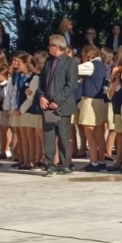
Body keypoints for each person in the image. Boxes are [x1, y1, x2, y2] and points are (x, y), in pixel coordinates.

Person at [39, 35, 79, 175]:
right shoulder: (49, 61)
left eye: (49, 45)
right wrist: (42, 96)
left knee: (63, 136)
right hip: (47, 105)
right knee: (49, 135)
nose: (48, 47)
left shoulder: (70, 62)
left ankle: (64, 163)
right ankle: (50, 164)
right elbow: (42, 80)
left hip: (63, 106)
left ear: (56, 46)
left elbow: (71, 84)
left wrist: (58, 100)